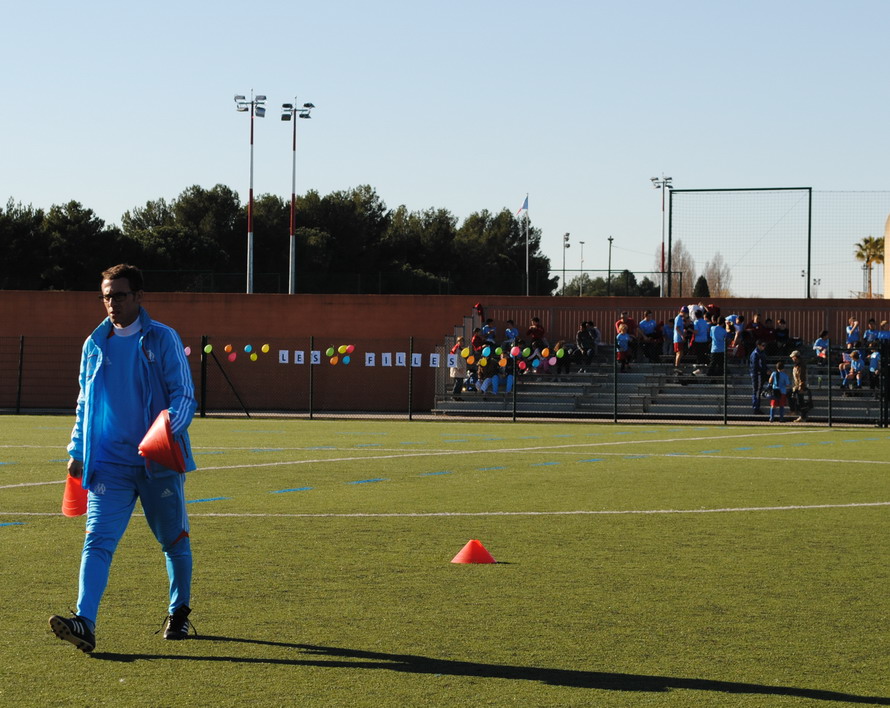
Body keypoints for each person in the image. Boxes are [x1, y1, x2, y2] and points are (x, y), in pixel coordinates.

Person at [49, 264, 198, 653]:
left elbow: (184, 395)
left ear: (138, 296)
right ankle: (85, 621)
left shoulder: (163, 338)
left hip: (158, 461)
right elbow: (85, 403)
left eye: (118, 295)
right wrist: (76, 449)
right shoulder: (94, 344)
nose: (110, 303)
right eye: (105, 296)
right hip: (109, 465)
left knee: (174, 541)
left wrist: (167, 430)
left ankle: (179, 611)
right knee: (97, 541)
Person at [790, 350, 811, 423]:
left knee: (800, 402)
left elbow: (802, 377)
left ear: (795, 357)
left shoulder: (801, 366)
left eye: (793, 357)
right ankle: (801, 415)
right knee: (798, 401)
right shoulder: (797, 365)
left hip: (800, 386)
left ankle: (802, 416)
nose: (792, 359)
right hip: (797, 385)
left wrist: (801, 387)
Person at [749, 340, 769, 414]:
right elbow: (755, 366)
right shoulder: (755, 354)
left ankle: (765, 391)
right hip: (757, 374)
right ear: (758, 345)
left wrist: (766, 369)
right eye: (762, 345)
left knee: (771, 380)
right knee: (757, 391)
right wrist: (763, 370)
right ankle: (756, 408)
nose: (764, 347)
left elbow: (763, 364)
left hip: (762, 373)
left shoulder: (761, 353)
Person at [691, 309, 711, 374]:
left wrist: (690, 330)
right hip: (705, 340)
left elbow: (696, 332)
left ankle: (700, 368)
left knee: (699, 355)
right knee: (703, 354)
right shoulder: (705, 322)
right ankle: (705, 366)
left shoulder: (696, 322)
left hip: (698, 341)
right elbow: (708, 330)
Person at [449, 336, 468, 400]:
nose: (462, 342)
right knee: (458, 383)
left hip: (461, 368)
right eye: (460, 341)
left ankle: (458, 396)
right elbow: (456, 359)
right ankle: (454, 395)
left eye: (462, 341)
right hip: (458, 369)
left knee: (460, 383)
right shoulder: (456, 349)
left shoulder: (461, 349)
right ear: (458, 342)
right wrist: (459, 367)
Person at [673, 305, 688, 372]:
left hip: (679, 339)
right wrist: (682, 335)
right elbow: (677, 328)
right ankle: (677, 366)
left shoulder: (680, 319)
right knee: (679, 352)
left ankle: (677, 366)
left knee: (680, 352)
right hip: (678, 339)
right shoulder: (678, 318)